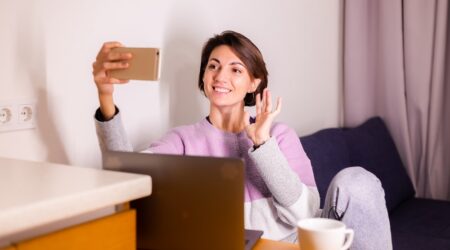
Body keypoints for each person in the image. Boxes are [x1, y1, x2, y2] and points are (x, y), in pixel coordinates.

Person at [92, 31, 392, 249]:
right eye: (213, 65)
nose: (221, 75)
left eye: (236, 69)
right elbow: (127, 175)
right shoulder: (182, 141)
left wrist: (262, 144)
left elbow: (304, 214)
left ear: (254, 82)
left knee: (356, 181)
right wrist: (106, 98)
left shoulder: (279, 135)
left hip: (297, 245)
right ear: (204, 78)